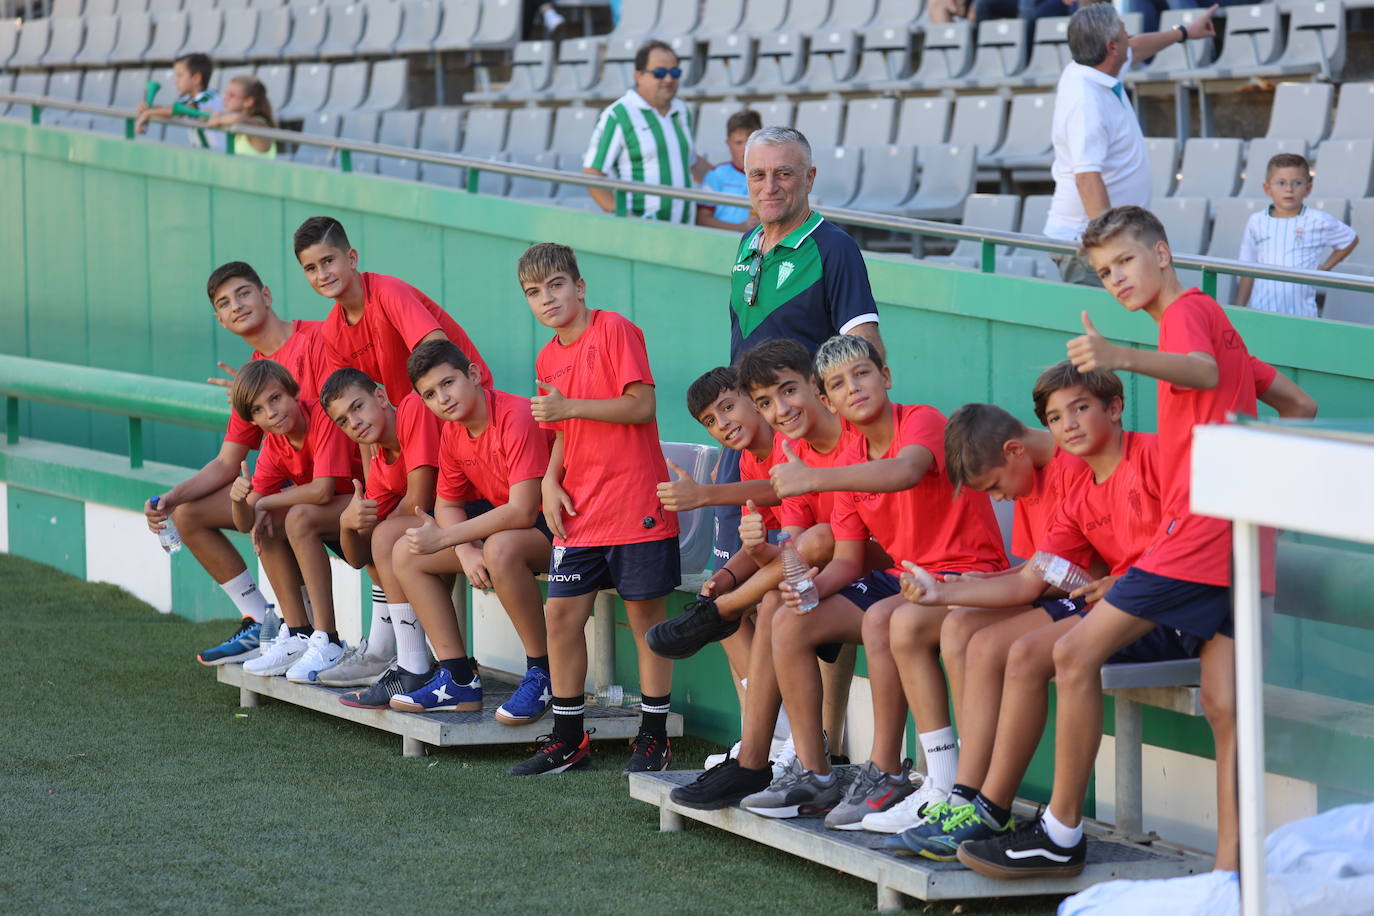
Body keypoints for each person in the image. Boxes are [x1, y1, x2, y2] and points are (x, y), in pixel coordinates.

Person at [960, 205, 1278, 879]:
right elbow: (1295, 405)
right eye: (1104, 272)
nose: (1117, 280)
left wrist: (1119, 356)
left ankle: (1060, 831)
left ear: (1162, 252)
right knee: (1226, 711)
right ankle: (1229, 875)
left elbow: (1196, 369)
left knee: (1072, 652)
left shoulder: (1187, 316)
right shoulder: (1219, 328)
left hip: (1200, 538)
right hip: (1236, 542)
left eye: (1125, 262)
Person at [743, 335, 1007, 827]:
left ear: (885, 377)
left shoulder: (921, 420)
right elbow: (846, 560)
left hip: (968, 574)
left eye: (863, 374)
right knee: (788, 620)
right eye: (839, 384)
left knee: (887, 620)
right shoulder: (847, 461)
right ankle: (815, 774)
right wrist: (811, 589)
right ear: (829, 401)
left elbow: (905, 472)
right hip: (905, 579)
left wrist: (817, 481)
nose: (855, 388)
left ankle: (891, 772)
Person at [665, 339, 907, 810]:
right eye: (764, 402)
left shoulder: (879, 432)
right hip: (854, 575)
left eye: (788, 391)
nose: (779, 409)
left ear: (816, 388)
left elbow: (844, 538)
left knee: (807, 560)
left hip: (904, 578)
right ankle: (802, 770)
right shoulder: (794, 453)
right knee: (780, 601)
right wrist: (763, 556)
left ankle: (887, 771)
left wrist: (779, 572)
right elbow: (801, 552)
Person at [507, 242, 680, 776]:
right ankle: (567, 737)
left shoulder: (616, 330)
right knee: (560, 615)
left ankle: (653, 738)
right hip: (580, 512)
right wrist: (551, 483)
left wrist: (569, 406)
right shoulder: (546, 358)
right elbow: (562, 434)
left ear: (578, 287)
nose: (547, 299)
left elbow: (642, 405)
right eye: (534, 293)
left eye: (555, 286)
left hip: (636, 504)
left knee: (645, 619)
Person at [145, 262, 330, 667]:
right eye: (224, 303)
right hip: (297, 490)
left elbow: (343, 406)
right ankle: (262, 620)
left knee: (267, 511)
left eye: (243, 293)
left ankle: (314, 634)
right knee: (191, 513)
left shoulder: (318, 338)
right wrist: (170, 499)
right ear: (220, 320)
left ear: (266, 294)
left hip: (342, 485)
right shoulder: (253, 377)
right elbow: (228, 462)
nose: (237, 306)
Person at [384, 340, 556, 723]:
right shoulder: (453, 432)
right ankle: (458, 678)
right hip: (514, 524)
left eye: (448, 383)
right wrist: (464, 550)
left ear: (474, 375)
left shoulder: (515, 414)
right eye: (430, 394)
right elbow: (447, 504)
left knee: (500, 549)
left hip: (564, 526)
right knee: (406, 553)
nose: (442, 398)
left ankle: (544, 672)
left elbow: (524, 509)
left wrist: (449, 539)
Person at [230, 360, 364, 682]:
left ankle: (328, 638)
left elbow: (322, 491)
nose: (271, 413)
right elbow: (245, 521)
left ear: (292, 392)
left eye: (275, 399)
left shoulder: (322, 415)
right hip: (339, 513)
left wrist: (262, 501)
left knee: (297, 516)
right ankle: (298, 633)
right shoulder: (274, 444)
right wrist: (239, 500)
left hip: (370, 500)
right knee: (269, 523)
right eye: (259, 411)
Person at [318, 368, 441, 691]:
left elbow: (419, 499)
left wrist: (377, 532)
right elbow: (359, 557)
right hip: (443, 525)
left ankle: (412, 663)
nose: (354, 422)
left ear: (382, 397)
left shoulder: (413, 408)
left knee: (387, 536)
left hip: (480, 512)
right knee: (382, 540)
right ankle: (402, 656)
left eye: (357, 407)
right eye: (343, 421)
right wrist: (346, 524)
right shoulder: (379, 455)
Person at [292, 216, 492, 407]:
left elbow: (438, 348)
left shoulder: (387, 292)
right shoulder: (332, 332)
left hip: (464, 395)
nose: (322, 275)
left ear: (352, 258)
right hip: (421, 408)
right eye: (311, 268)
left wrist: (411, 410)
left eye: (328, 261)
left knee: (412, 407)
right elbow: (349, 397)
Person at [1044, 4, 1151, 286]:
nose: (1130, 37)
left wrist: (1183, 33)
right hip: (1089, 247)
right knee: (1098, 329)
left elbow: (1137, 48)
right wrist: (1110, 252)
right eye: (1125, 32)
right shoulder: (1086, 101)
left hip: (1096, 240)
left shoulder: (1088, 68)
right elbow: (1087, 180)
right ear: (1112, 47)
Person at [583, 39, 710, 222]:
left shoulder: (682, 110)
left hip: (684, 230)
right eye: (659, 73)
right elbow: (592, 175)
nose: (668, 79)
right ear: (639, 75)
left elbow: (691, 161)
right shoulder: (618, 115)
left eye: (674, 72)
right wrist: (625, 218)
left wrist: (736, 175)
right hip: (641, 233)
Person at [1236, 153, 1360, 318]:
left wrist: (1325, 267)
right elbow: (1246, 269)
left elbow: (1350, 238)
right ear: (1267, 189)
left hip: (1302, 314)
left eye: (1297, 183)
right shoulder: (1256, 221)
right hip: (1261, 311)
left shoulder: (1318, 220)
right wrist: (1238, 309)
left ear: (1308, 188)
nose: (1289, 189)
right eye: (1281, 183)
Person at [134, 52, 225, 151]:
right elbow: (172, 110)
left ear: (196, 78)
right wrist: (150, 108)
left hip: (220, 154)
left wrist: (149, 113)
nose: (175, 81)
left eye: (180, 76)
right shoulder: (188, 98)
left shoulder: (209, 96)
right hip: (205, 154)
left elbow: (183, 109)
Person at [697, 109, 761, 233]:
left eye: (750, 142)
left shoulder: (770, 176)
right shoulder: (716, 175)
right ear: (728, 143)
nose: (745, 149)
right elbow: (702, 219)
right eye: (738, 143)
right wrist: (740, 228)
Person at [205, 74, 277, 158]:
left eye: (232, 95)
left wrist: (219, 119)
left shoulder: (259, 123)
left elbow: (238, 119)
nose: (224, 97)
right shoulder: (242, 121)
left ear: (248, 101)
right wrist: (211, 115)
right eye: (226, 93)